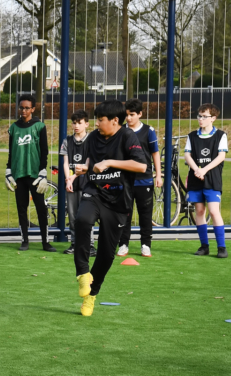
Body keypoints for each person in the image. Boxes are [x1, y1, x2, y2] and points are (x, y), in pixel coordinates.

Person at [73, 100, 148, 316]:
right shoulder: (93, 137)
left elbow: (141, 165)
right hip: (94, 191)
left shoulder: (127, 136)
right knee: (82, 220)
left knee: (106, 254)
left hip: (118, 201)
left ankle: (91, 295)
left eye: (100, 120)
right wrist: (84, 168)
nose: (97, 123)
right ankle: (83, 274)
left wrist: (110, 162)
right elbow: (91, 162)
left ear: (115, 120)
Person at [5, 94, 55, 252]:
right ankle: (24, 240)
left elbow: (44, 151)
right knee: (22, 208)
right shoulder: (13, 128)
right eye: (21, 107)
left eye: (27, 108)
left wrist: (43, 171)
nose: (23, 110)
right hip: (18, 175)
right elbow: (11, 151)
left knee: (41, 208)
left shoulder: (39, 126)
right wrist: (8, 170)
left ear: (33, 109)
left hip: (35, 175)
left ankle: (45, 242)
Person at [116, 99, 162, 258]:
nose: (129, 118)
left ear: (140, 114)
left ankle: (145, 245)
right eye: (127, 115)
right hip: (124, 180)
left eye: (132, 115)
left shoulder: (149, 131)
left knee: (145, 214)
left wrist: (158, 175)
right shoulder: (121, 130)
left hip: (144, 179)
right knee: (124, 213)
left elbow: (155, 153)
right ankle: (123, 244)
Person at [184, 103, 228, 258]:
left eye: (204, 116)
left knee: (214, 211)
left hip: (212, 178)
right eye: (199, 116)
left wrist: (204, 170)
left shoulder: (221, 135)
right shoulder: (192, 136)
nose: (200, 119)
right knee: (200, 211)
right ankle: (204, 246)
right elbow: (187, 155)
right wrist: (197, 169)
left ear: (213, 118)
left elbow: (221, 156)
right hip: (196, 178)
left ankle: (221, 247)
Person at [59, 110, 94, 256]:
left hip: (87, 184)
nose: (76, 126)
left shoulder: (91, 140)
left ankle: (90, 245)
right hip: (72, 184)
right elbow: (66, 163)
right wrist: (68, 180)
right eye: (74, 123)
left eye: (79, 123)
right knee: (73, 216)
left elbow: (88, 162)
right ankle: (74, 243)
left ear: (87, 124)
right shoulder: (67, 141)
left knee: (86, 216)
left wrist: (75, 176)